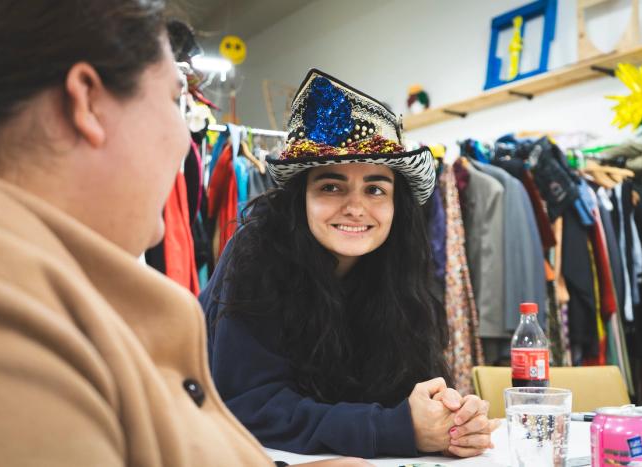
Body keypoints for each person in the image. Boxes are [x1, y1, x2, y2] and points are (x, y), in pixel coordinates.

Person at [0, 2, 369, 466]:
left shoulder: (37, 287)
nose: (183, 139)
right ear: (88, 102)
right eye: (175, 101)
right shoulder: (1, 324)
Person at [200, 69, 500, 459]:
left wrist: (453, 419)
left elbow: (415, 391)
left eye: (375, 189)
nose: (356, 207)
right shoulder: (256, 255)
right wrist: (399, 428)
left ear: (396, 204)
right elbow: (251, 408)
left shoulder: (397, 270)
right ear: (301, 198)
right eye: (331, 186)